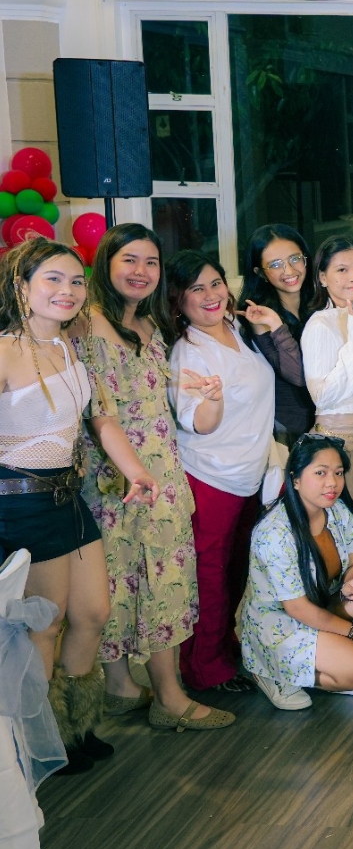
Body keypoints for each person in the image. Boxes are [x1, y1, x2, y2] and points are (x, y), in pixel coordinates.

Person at [3, 239, 158, 772]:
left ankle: (76, 724)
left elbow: (101, 419)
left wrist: (136, 470)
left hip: (68, 497)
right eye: (52, 279)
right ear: (22, 287)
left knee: (93, 613)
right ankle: (41, 739)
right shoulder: (4, 349)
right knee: (45, 626)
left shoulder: (71, 347)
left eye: (75, 281)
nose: (66, 291)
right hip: (21, 503)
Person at [74, 224, 231, 734]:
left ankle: (132, 688)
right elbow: (101, 415)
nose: (141, 272)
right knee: (124, 583)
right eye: (129, 260)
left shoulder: (147, 324)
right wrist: (133, 471)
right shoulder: (87, 325)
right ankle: (163, 696)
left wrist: (193, 385)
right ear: (106, 264)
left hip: (162, 470)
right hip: (117, 478)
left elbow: (150, 388)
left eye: (151, 262)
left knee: (163, 579)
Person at [168, 251, 276, 694]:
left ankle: (224, 649)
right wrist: (211, 399)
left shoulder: (235, 327)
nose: (211, 295)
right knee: (209, 576)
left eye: (215, 283)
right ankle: (203, 668)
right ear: (178, 300)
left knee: (234, 571)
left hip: (248, 476)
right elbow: (198, 422)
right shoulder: (189, 351)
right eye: (197, 288)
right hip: (210, 477)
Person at [238, 434, 353, 710]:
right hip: (282, 623)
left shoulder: (337, 509)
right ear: (296, 479)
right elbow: (297, 608)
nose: (332, 482)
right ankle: (273, 671)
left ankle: (340, 664)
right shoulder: (274, 533)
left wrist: (351, 583)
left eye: (338, 473)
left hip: (321, 606)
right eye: (320, 473)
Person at [300, 234, 353, 546]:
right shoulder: (320, 324)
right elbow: (322, 396)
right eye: (342, 270)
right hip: (338, 437)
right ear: (322, 277)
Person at [239, 223, 318, 442]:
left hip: (328, 419)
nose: (289, 271)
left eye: (295, 259)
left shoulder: (319, 303)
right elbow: (299, 376)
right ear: (260, 273)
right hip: (290, 429)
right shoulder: (260, 317)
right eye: (275, 264)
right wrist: (276, 324)